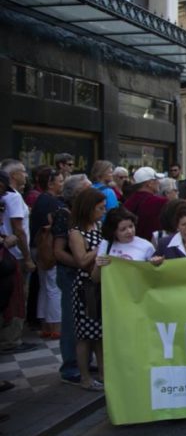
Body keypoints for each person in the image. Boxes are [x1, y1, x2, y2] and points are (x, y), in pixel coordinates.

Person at [50, 174, 90, 382]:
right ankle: (70, 365)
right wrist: (82, 262)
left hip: (86, 275)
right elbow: (58, 251)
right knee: (71, 320)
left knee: (87, 318)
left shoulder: (86, 215)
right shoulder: (64, 214)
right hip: (70, 274)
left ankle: (85, 361)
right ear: (77, 194)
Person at [68, 188, 107, 391]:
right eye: (100, 208)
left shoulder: (99, 226)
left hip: (101, 284)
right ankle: (84, 377)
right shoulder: (76, 232)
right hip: (86, 287)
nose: (103, 212)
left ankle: (103, 372)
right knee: (86, 334)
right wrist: (99, 247)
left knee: (100, 333)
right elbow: (81, 260)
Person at [0, 160, 34, 353]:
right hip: (14, 254)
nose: (25, 174)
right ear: (13, 175)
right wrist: (27, 257)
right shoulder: (12, 198)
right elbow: (18, 229)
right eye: (22, 171)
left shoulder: (12, 197)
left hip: (11, 252)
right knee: (18, 296)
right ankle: (11, 339)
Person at [28, 167, 64, 339]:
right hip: (47, 248)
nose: (62, 184)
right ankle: (55, 326)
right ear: (50, 184)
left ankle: (45, 324)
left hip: (38, 247)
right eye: (60, 181)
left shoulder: (42, 199)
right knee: (53, 287)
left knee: (45, 286)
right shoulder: (51, 201)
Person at [123, 167, 167, 242]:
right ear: (149, 183)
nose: (159, 182)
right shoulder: (161, 202)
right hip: (153, 246)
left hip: (131, 245)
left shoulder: (128, 202)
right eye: (156, 180)